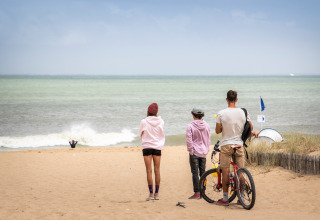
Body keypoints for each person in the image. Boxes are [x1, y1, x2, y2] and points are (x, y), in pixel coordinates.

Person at [214, 90, 253, 206]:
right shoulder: (243, 112)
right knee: (241, 171)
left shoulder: (221, 113)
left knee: (225, 170)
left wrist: (223, 128)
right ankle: (241, 197)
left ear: (226, 99)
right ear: (236, 99)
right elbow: (250, 126)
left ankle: (225, 199)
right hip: (239, 145)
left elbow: (217, 131)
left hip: (226, 144)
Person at [139, 103, 165, 201]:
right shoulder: (161, 121)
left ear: (148, 111)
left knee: (149, 171)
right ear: (156, 112)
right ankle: (156, 194)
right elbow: (161, 133)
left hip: (147, 146)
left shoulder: (143, 121)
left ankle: (151, 194)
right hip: (157, 146)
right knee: (157, 170)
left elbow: (140, 133)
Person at [186, 108, 211, 199]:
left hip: (195, 152)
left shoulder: (190, 126)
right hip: (203, 152)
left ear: (193, 115)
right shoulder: (207, 125)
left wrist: (191, 151)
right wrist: (207, 150)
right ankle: (203, 191)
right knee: (203, 172)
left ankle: (197, 192)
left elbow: (189, 140)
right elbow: (208, 139)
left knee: (195, 173)